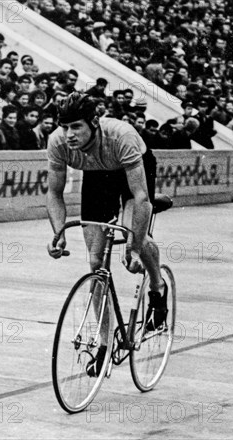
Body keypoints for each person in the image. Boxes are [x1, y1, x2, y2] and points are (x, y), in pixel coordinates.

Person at [46, 92, 165, 376]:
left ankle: (158, 290)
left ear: (94, 123)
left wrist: (134, 245)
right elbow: (54, 192)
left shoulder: (120, 136)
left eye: (77, 126)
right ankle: (104, 343)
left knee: (133, 242)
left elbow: (140, 198)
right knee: (95, 264)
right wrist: (58, 232)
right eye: (65, 127)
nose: (69, 134)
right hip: (97, 175)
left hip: (130, 170)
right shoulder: (58, 142)